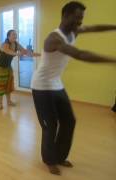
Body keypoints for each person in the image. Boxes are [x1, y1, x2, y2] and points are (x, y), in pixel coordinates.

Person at [31, 1, 116, 175]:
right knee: (50, 126)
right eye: (77, 18)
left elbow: (94, 28)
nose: (80, 22)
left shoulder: (74, 30)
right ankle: (49, 160)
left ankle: (60, 156)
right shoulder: (53, 38)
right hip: (41, 87)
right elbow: (79, 54)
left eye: (81, 19)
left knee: (70, 121)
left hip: (56, 84)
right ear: (65, 16)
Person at [0, 30, 40, 110]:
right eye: (13, 35)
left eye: (16, 34)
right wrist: (17, 54)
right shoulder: (4, 45)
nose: (15, 36)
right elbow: (7, 51)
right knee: (1, 85)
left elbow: (25, 52)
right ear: (8, 36)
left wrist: (40, 54)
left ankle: (9, 101)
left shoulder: (16, 44)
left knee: (9, 84)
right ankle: (0, 104)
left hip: (8, 66)